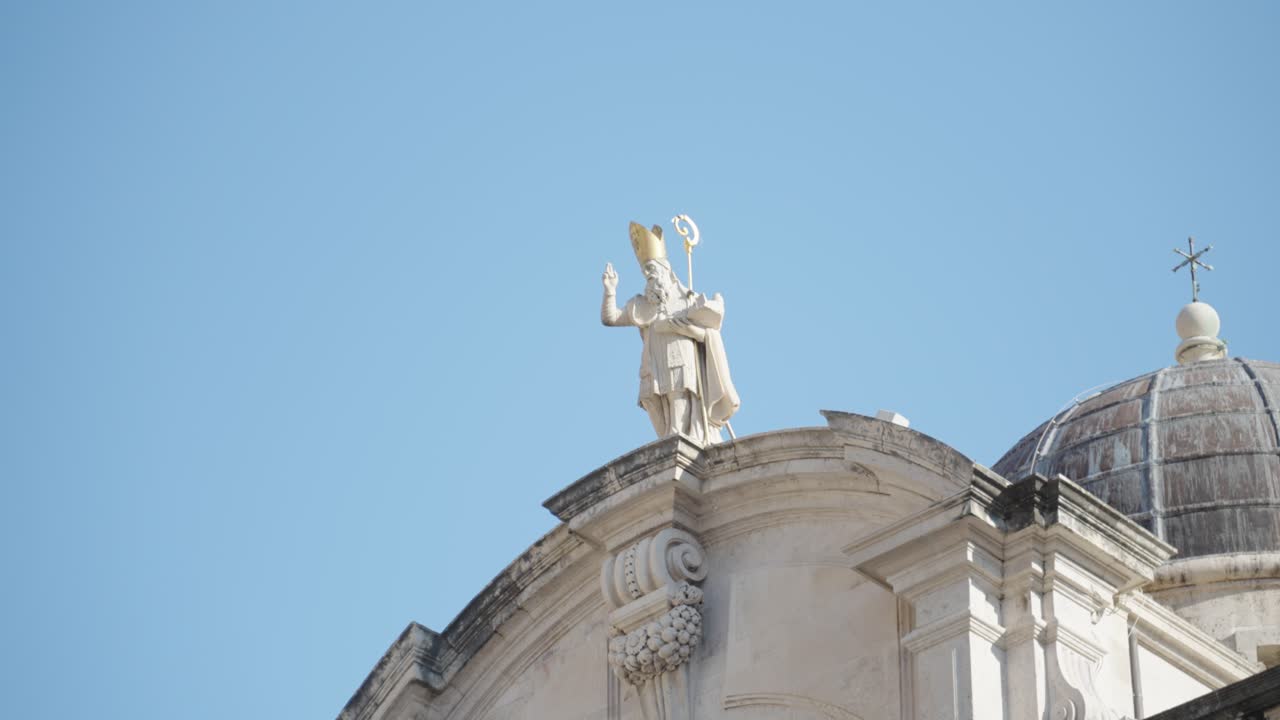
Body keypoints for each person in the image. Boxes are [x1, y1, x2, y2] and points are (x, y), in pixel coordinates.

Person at [601, 222, 739, 444]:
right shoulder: (642, 305)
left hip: (680, 356)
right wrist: (610, 291)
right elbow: (611, 318)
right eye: (646, 273)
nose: (649, 276)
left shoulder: (687, 300)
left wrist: (686, 328)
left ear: (666, 271)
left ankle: (679, 434)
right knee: (652, 398)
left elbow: (708, 332)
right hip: (653, 362)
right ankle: (669, 437)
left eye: (652, 270)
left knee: (678, 391)